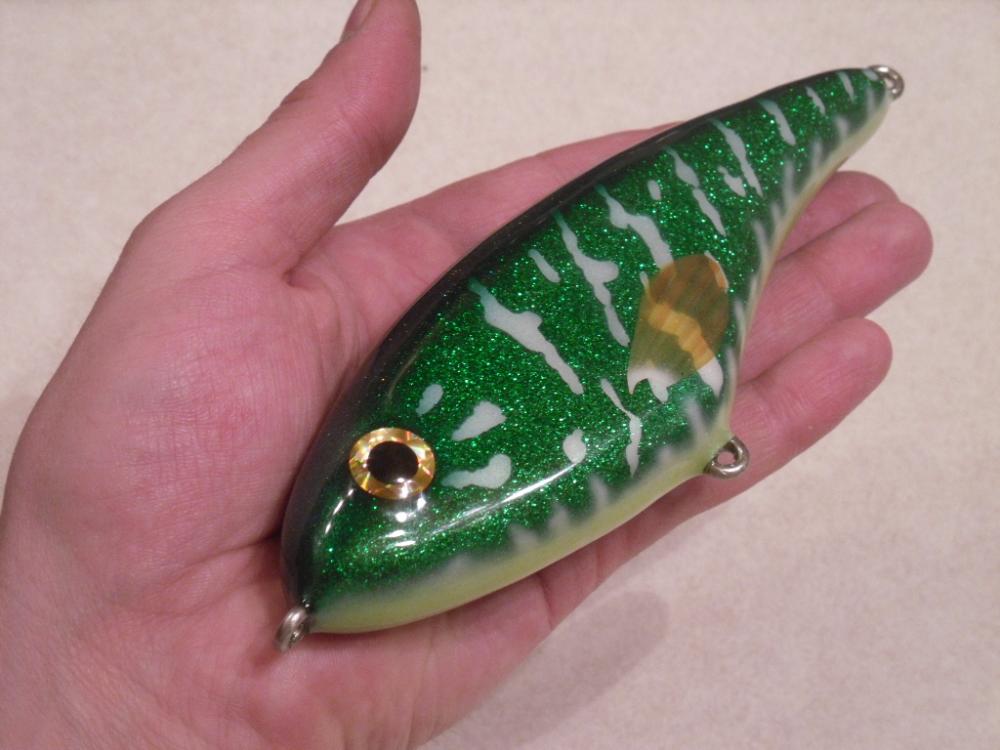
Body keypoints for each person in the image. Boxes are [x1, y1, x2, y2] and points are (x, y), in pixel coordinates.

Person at [0, 1, 931, 747]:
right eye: (393, 468)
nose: (389, 479)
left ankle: (867, 89)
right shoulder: (337, 545)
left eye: (392, 466)